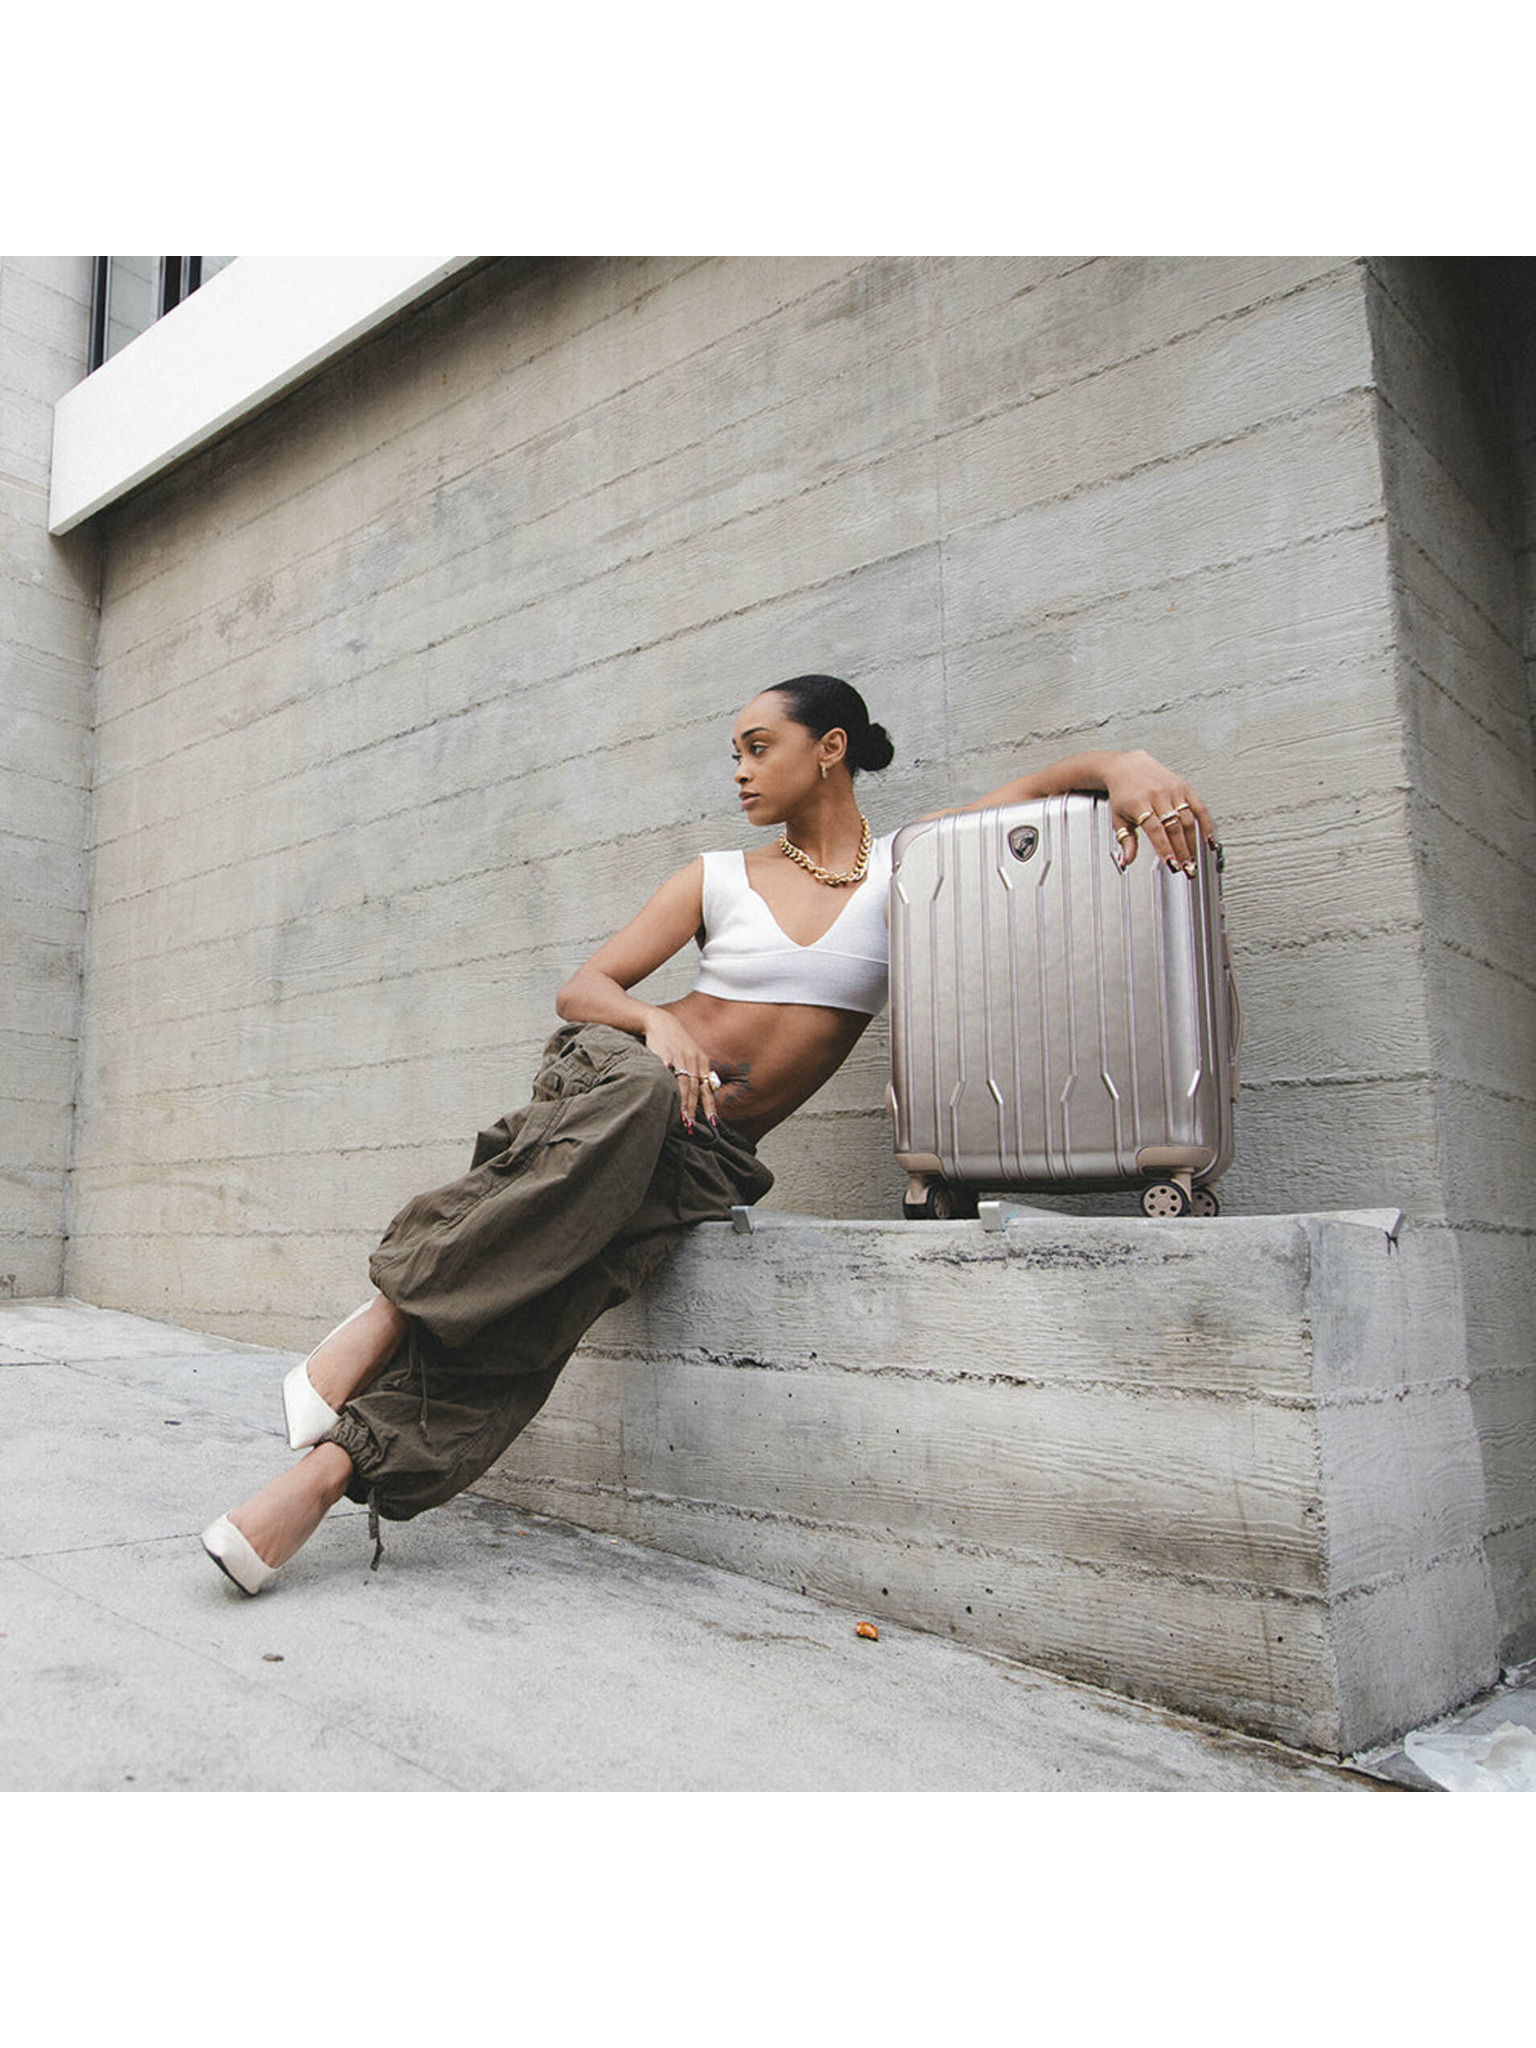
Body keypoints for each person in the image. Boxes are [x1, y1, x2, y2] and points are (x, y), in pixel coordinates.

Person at [201, 675, 1216, 1595]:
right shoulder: (716, 875)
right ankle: (387, 1314)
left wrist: (1124, 766)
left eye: (758, 747)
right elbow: (584, 989)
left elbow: (1041, 789)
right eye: (734, 752)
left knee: (547, 1311)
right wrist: (658, 1023)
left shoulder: (909, 867)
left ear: (830, 748)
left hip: (703, 1152)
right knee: (644, 1095)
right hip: (606, 1083)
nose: (739, 769)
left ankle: (325, 1478)